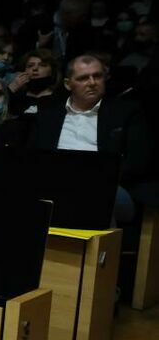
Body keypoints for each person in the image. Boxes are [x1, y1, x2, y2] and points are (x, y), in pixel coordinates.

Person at [31, 55, 152, 220]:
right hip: (56, 183)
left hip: (105, 184)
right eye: (83, 78)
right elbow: (35, 158)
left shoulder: (126, 112)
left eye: (97, 76)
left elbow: (137, 160)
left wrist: (96, 178)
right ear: (68, 84)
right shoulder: (47, 116)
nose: (92, 82)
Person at [7, 49, 61, 115]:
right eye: (30, 66)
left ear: (52, 71)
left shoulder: (60, 99)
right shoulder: (16, 98)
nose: (35, 68)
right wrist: (12, 88)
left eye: (42, 65)